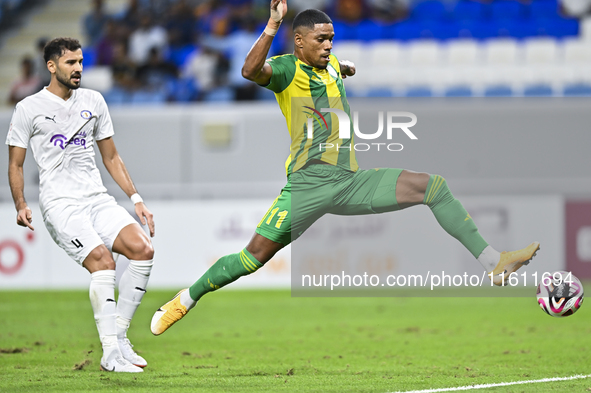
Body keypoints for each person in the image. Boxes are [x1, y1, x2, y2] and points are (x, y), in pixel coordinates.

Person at [150, 1, 540, 336]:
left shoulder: (331, 64)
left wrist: (345, 67)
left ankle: (494, 262)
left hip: (351, 182)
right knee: (252, 258)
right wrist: (272, 26)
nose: (328, 45)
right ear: (299, 41)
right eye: (321, 39)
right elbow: (250, 72)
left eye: (331, 39)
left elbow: (339, 67)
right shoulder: (286, 70)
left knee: (432, 186)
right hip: (307, 186)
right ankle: (185, 299)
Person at [6, 38, 155, 373]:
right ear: (51, 66)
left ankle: (120, 335)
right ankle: (110, 354)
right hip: (61, 203)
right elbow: (15, 164)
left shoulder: (94, 101)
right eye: (71, 63)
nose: (78, 69)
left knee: (143, 250)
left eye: (81, 62)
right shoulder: (29, 108)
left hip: (96, 198)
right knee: (103, 262)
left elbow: (111, 156)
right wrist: (20, 203)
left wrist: (136, 199)